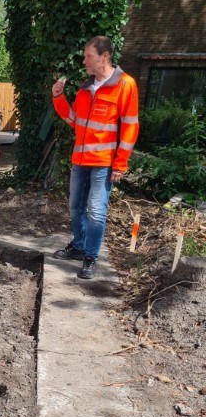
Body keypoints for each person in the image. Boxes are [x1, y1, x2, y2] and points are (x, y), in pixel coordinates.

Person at [51, 36, 139, 279]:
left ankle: (90, 257)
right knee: (75, 206)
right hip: (80, 160)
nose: (84, 61)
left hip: (104, 163)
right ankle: (79, 246)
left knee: (96, 211)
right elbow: (74, 121)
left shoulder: (125, 84)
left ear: (105, 57)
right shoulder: (84, 87)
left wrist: (120, 164)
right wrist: (58, 98)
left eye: (88, 56)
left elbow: (131, 127)